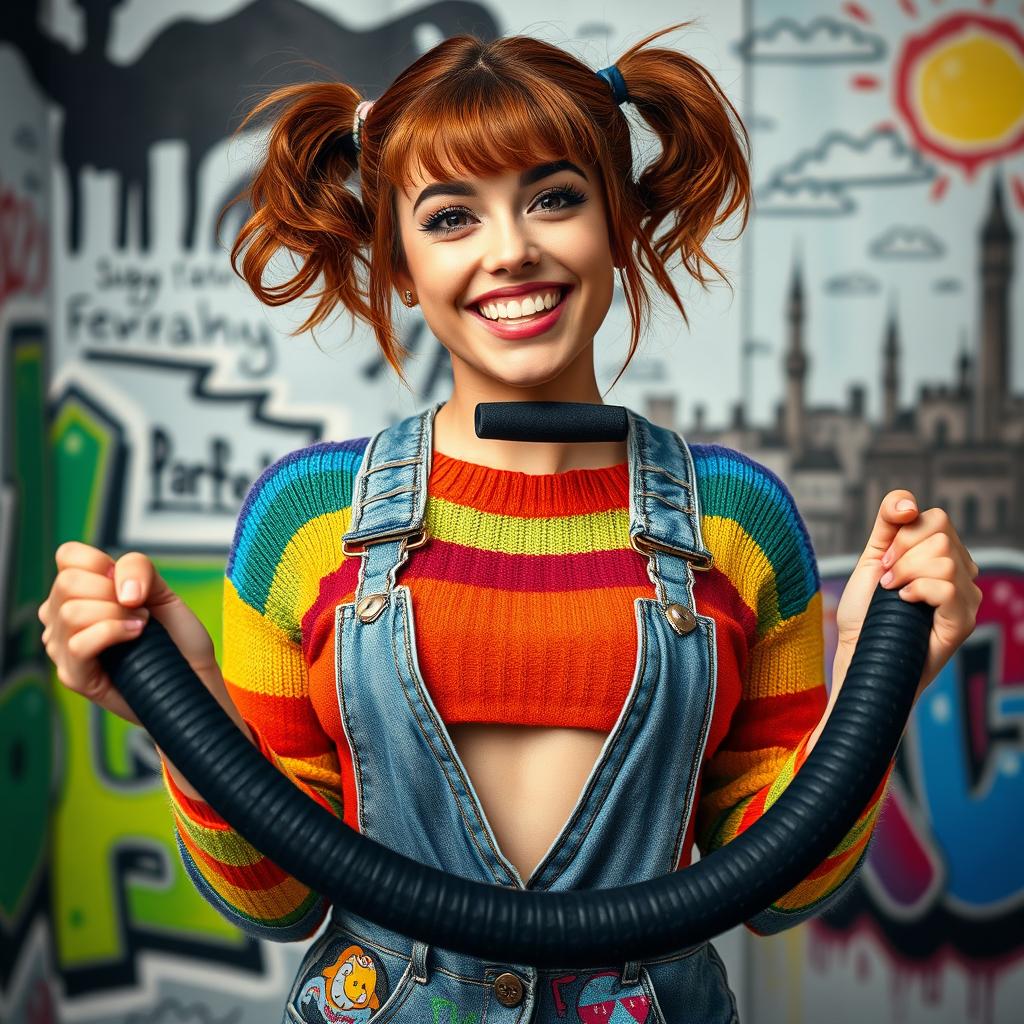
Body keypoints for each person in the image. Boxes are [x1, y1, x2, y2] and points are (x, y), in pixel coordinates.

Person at [39, 25, 982, 1024]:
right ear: (399, 262)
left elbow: (781, 888)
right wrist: (182, 719)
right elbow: (277, 901)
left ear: (616, 221)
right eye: (450, 217)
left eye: (555, 198)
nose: (511, 250)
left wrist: (880, 677)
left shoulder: (738, 521)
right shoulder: (305, 520)